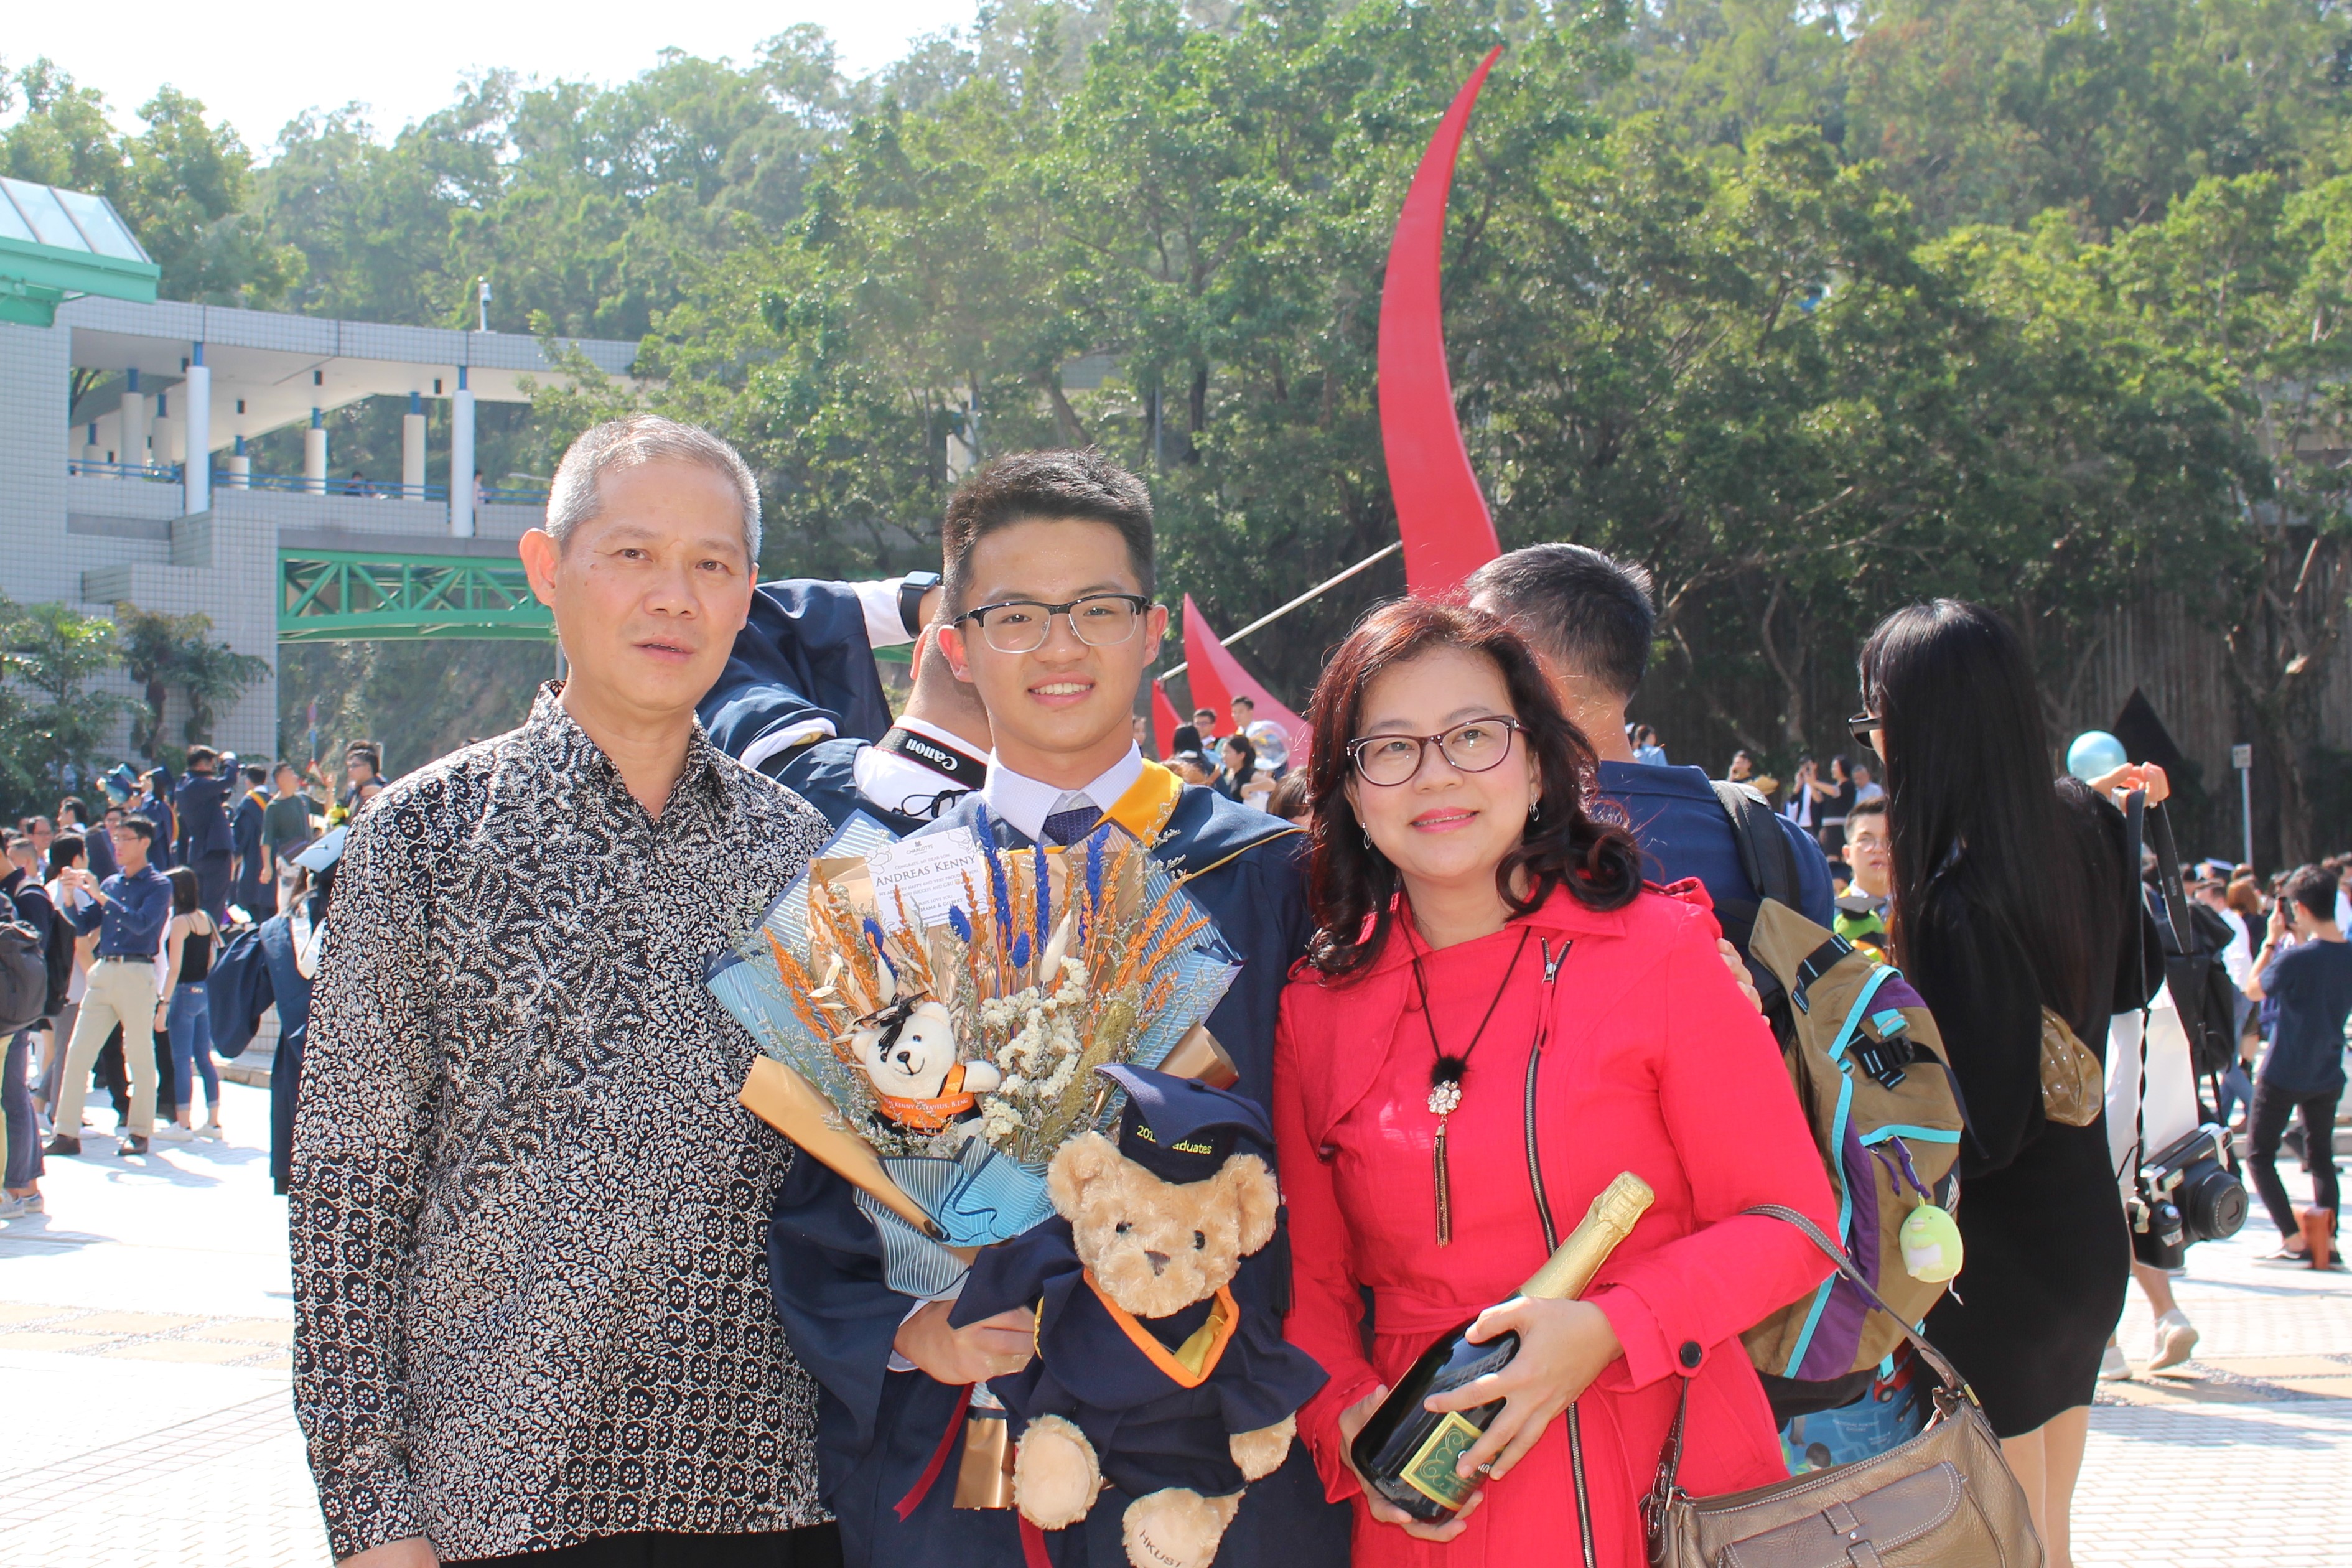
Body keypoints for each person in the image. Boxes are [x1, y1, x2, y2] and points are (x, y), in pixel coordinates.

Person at [763, 449, 1349, 1568]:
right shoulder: (877, 902)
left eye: (1096, 609)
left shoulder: (1272, 879)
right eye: (1016, 615)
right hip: (968, 1468)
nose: (1061, 646)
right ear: (956, 645)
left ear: (1155, 629)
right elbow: (815, 1210)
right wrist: (906, 1336)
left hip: (1219, 1469)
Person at [290, 414, 842, 1568]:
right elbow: (348, 1188)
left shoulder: (797, 853)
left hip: (760, 1494)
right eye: (632, 555)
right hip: (493, 1496)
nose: (673, 599)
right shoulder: (424, 840)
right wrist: (369, 1514)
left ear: (747, 595)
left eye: (711, 566)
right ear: (549, 569)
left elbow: (859, 1161)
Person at [1274, 599, 1836, 1564]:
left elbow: (1792, 1226)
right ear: (1351, 794)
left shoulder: (1660, 952)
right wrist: (1346, 1421)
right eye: (1392, 749)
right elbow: (1309, 1284)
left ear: (1537, 764)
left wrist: (1615, 1325)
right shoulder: (1315, 1008)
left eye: (1473, 736)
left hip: (1666, 1474)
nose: (1437, 772)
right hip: (1435, 1498)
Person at [1857, 600, 2163, 1568]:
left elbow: (1978, 1130)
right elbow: (2137, 980)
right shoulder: (2082, 819)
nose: (1872, 737)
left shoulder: (1955, 894)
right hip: (2083, 1231)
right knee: (2050, 1533)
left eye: (1877, 713)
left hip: (1999, 1262)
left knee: (2005, 1540)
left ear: (1920, 722)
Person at [1465, 545, 1836, 929]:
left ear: (1533, 671)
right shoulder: (1781, 847)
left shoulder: (1485, 843)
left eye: (1478, 650)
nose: (1454, 672)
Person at [699, 572, 994, 835]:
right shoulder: (1028, 849)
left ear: (923, 651)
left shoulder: (785, 777)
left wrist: (915, 602)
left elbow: (723, 631)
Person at [208, 829, 343, 1195]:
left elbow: (236, 985)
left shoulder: (281, 929)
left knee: (304, 1185)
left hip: (294, 1069)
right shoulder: (375, 922)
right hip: (359, 1066)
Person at [2238, 863, 2349, 1266]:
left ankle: (2293, 1237)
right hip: (2327, 1069)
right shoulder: (2346, 954)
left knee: (2258, 1155)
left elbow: (2252, 989)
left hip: (2284, 1069)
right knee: (2321, 1157)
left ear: (2297, 908)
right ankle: (2328, 1241)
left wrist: (2270, 942)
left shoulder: (2293, 959)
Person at [44, 816, 171, 1157]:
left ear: (145, 842)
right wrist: (71, 899)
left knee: (141, 1057)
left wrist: (100, 896)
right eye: (116, 839)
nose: (117, 845)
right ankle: (66, 1133)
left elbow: (143, 925)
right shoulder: (113, 884)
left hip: (136, 972)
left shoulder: (159, 885)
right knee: (77, 1053)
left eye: (125, 839)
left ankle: (140, 1132)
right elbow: (84, 925)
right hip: (104, 971)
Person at [1, 834, 62, 1218]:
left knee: (14, 1100)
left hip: (12, 1013)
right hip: (13, 1012)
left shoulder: (27, 894)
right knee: (15, 1098)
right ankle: (25, 1187)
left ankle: (19, 1187)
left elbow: (34, 954)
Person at [152, 865, 221, 1142]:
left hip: (182, 993)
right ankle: (214, 1123)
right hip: (203, 991)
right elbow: (213, 957)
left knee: (181, 1060)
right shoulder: (205, 918)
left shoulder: (180, 923)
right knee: (205, 1059)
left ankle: (182, 1124)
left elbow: (174, 966)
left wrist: (163, 1003)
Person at [173, 745, 235, 922]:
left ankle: (200, 941)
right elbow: (229, 780)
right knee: (215, 903)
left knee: (200, 903)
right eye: (212, 765)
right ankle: (210, 944)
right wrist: (230, 760)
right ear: (202, 765)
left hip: (199, 851)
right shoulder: (197, 784)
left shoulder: (184, 784)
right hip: (215, 851)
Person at [1833, 797, 1892, 956]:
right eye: (1866, 840)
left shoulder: (1921, 914)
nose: (1878, 849)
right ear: (1847, 854)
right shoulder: (1829, 916)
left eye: (1889, 839)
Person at [262, 762, 322, 908]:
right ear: (281, 780)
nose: (296, 777)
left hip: (307, 859)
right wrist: (267, 867)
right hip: (288, 861)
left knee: (306, 898)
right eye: (291, 773)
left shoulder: (302, 799)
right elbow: (266, 839)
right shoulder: (273, 807)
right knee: (287, 900)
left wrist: (330, 789)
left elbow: (325, 808)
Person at [230, 763, 274, 920]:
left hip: (253, 856)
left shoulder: (248, 804)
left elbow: (243, 833)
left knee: (253, 899)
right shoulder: (273, 802)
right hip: (272, 857)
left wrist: (236, 853)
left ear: (248, 781)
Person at [1231, 694, 1290, 775]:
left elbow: (1277, 756)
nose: (1236, 716)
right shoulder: (1237, 736)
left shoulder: (1262, 732)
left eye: (1241, 712)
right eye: (1234, 712)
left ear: (1250, 711)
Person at [1220, 732, 1276, 810]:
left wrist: (1249, 787)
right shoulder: (1227, 772)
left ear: (1241, 755)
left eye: (1228, 752)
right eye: (1223, 752)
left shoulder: (1247, 773)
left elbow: (1271, 784)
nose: (1224, 756)